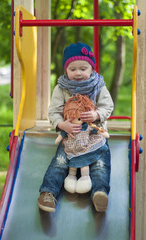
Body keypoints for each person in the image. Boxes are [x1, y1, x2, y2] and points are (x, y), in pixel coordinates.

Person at [38, 42, 114, 213]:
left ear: (92, 69)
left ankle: (99, 193)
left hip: (96, 136)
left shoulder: (98, 85)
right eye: (72, 69)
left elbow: (107, 106)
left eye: (83, 68)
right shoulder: (61, 88)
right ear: (66, 70)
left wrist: (96, 115)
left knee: (100, 163)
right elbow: (54, 111)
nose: (78, 73)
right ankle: (48, 193)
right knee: (59, 162)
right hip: (70, 137)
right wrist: (61, 124)